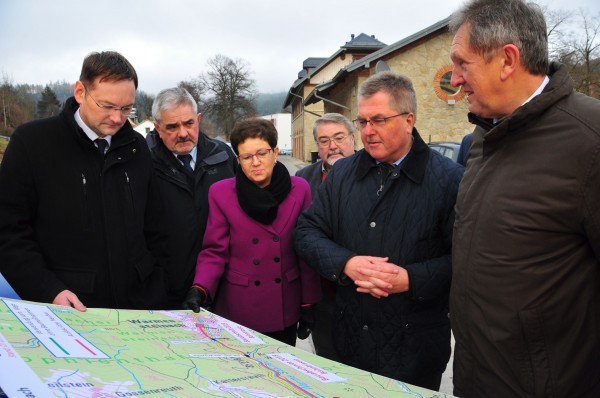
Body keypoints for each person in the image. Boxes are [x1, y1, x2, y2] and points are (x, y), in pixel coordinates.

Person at [448, 1, 600, 397]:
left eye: (462, 64)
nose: (453, 80)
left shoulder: (590, 139)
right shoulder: (483, 137)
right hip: (475, 380)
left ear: (507, 60)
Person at [294, 71, 463, 390]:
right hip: (349, 344)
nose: (368, 131)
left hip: (416, 350)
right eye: (362, 122)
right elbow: (306, 232)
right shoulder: (343, 174)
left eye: (379, 120)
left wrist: (411, 280)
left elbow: (465, 260)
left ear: (409, 119)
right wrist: (346, 264)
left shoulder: (450, 179)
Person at [0, 51, 169, 310]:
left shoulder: (137, 146)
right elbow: (9, 233)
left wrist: (155, 287)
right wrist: (48, 290)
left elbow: (155, 227)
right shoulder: (32, 143)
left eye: (126, 108)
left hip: (136, 308)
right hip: (66, 308)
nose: (117, 118)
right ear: (80, 92)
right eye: (107, 106)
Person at [183, 118, 321, 346]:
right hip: (239, 308)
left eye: (262, 154)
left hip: (283, 306)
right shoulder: (221, 193)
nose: (255, 162)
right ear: (238, 159)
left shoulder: (300, 190)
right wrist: (200, 288)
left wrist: (309, 303)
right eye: (247, 157)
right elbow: (215, 251)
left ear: (275, 152)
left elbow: (305, 252)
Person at [149, 88, 236, 308]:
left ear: (198, 120)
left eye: (188, 123)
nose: (183, 133)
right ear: (157, 128)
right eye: (172, 127)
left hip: (221, 288)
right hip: (166, 293)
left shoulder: (223, 156)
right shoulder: (143, 164)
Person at [295, 113, 355, 362]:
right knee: (328, 362)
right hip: (321, 294)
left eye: (339, 138)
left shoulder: (374, 172)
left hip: (359, 289)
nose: (332, 146)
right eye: (324, 140)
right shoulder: (302, 180)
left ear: (353, 138)